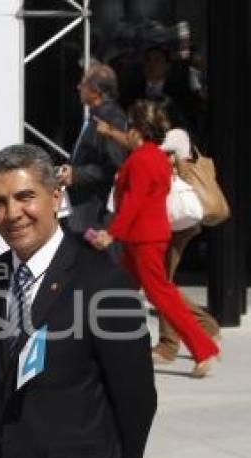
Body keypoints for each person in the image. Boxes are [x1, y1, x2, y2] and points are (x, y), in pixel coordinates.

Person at [0, 144, 161, 458]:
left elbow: (136, 401)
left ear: (56, 197)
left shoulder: (104, 283)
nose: (12, 213)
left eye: (25, 197)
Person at [91, 100, 219, 377]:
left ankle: (203, 348)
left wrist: (111, 233)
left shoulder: (141, 159)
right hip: (144, 237)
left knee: (159, 295)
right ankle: (102, 347)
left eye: (129, 127)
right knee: (123, 292)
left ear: (137, 130)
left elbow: (134, 201)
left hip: (143, 238)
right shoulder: (155, 156)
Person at [56, 63, 127, 236]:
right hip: (80, 207)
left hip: (94, 211)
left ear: (95, 91)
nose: (78, 87)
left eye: (83, 84)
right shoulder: (95, 115)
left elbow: (112, 166)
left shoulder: (111, 118)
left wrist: (76, 175)